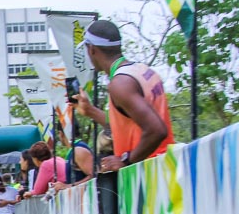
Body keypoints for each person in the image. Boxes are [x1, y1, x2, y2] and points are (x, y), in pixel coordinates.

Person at [72, 19, 174, 171]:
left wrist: (126, 160)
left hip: (149, 174)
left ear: (92, 49)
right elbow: (127, 123)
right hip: (166, 166)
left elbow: (157, 130)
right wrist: (90, 111)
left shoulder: (120, 84)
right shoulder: (142, 70)